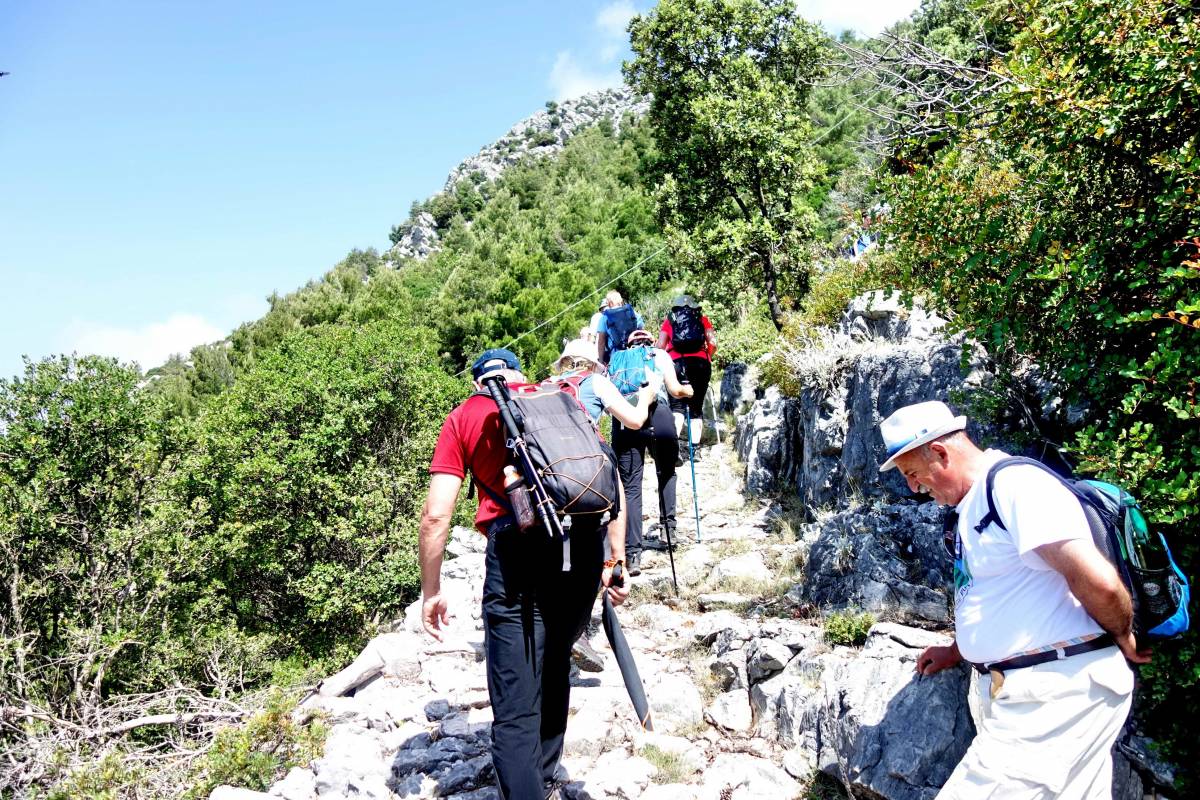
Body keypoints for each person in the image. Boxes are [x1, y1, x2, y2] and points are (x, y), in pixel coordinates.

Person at [879, 400, 1151, 799]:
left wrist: (1124, 633)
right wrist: (959, 649)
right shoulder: (972, 505)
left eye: (914, 474)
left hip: (1055, 695)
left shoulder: (1016, 487)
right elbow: (1001, 593)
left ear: (939, 452)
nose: (914, 488)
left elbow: (1098, 581)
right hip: (1036, 693)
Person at [419, 348, 630, 800]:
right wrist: (615, 560)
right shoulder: (561, 399)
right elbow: (608, 477)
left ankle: (528, 787)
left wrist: (431, 591)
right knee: (554, 661)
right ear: (518, 373)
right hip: (582, 548)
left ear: (477, 383)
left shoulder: (464, 416)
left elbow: (436, 515)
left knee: (515, 701)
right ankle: (546, 777)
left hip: (516, 552)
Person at [612, 329, 693, 575]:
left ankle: (632, 554)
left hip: (626, 419)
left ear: (629, 345)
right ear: (650, 341)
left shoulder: (617, 360)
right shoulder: (659, 354)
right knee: (666, 472)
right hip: (658, 414)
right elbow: (675, 390)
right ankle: (668, 531)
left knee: (630, 487)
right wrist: (688, 391)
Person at [655, 294, 717, 464]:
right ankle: (694, 451)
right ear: (693, 306)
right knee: (696, 408)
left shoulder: (670, 320)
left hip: (676, 364)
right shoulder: (702, 318)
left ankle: (673, 450)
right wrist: (707, 356)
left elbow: (660, 346)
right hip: (701, 364)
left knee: (677, 407)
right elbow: (713, 342)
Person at [593, 290, 643, 366]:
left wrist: (601, 361)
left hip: (616, 357)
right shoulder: (633, 313)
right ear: (621, 301)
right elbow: (641, 331)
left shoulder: (604, 318)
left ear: (609, 303)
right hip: (635, 352)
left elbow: (601, 342)